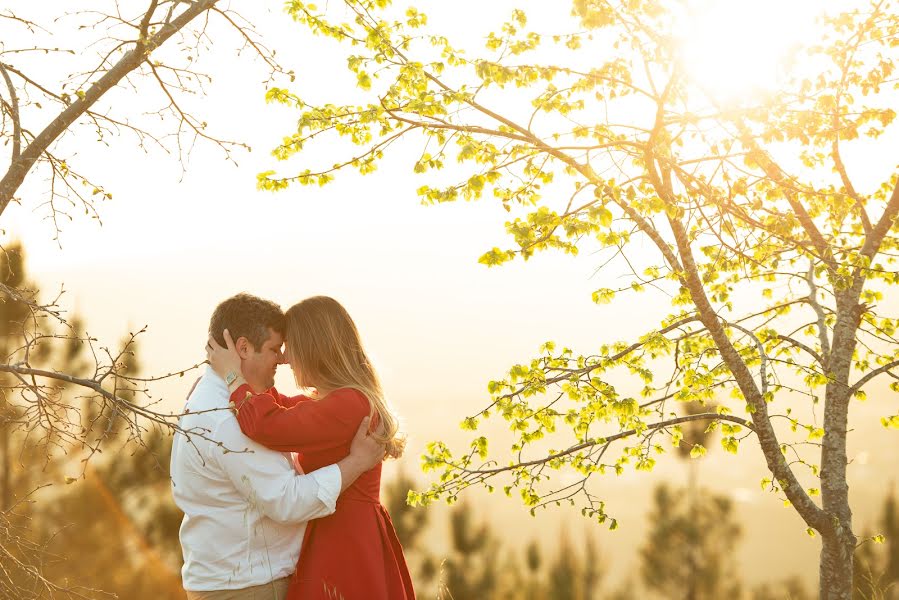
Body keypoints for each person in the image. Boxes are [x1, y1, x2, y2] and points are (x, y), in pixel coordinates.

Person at [171, 293, 386, 600]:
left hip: (345, 541)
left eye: (289, 349)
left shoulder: (347, 403)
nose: (284, 359)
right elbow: (275, 417)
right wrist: (229, 381)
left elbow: (268, 421)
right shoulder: (223, 416)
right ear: (243, 348)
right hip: (257, 581)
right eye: (276, 349)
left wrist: (229, 378)